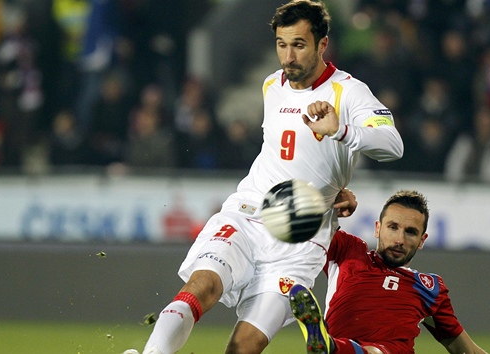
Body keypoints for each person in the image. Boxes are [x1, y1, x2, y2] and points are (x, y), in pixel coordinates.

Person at [124, 1, 403, 353]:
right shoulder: (272, 84)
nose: (288, 56)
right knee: (202, 287)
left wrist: (342, 130)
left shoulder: (348, 92)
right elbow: (288, 155)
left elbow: (393, 144)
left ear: (321, 44)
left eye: (299, 45)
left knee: (244, 346)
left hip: (301, 241)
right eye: (281, 45)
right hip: (249, 213)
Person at [289, 190, 487, 354]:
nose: (399, 239)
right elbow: (301, 220)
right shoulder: (349, 251)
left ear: (422, 240)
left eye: (410, 232)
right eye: (393, 227)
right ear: (378, 228)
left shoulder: (430, 287)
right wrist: (331, 200)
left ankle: (329, 347)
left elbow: (466, 350)